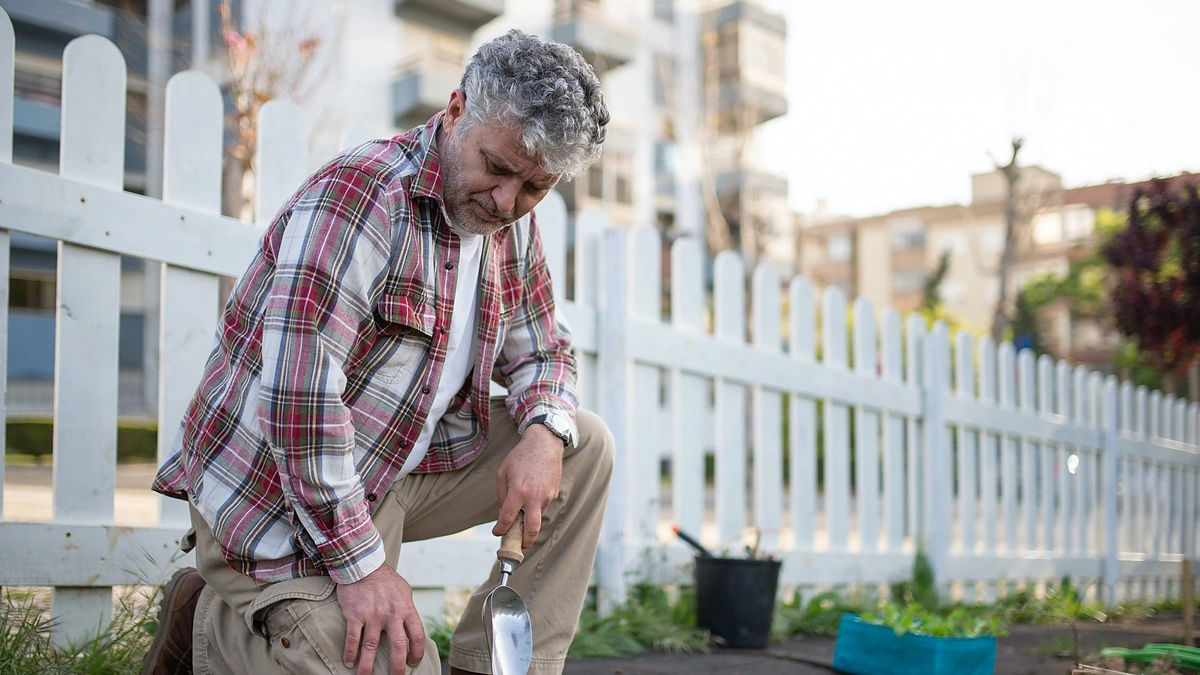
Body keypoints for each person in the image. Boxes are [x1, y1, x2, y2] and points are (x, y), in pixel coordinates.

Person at [141, 29, 613, 675]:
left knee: (581, 442)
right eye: (497, 168)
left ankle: (497, 667)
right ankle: (207, 623)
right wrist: (365, 570)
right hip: (275, 497)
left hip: (389, 474)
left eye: (535, 186)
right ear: (454, 112)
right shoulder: (360, 198)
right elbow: (298, 407)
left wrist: (543, 430)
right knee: (389, 661)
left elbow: (544, 349)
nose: (508, 202)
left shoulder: (509, 224)